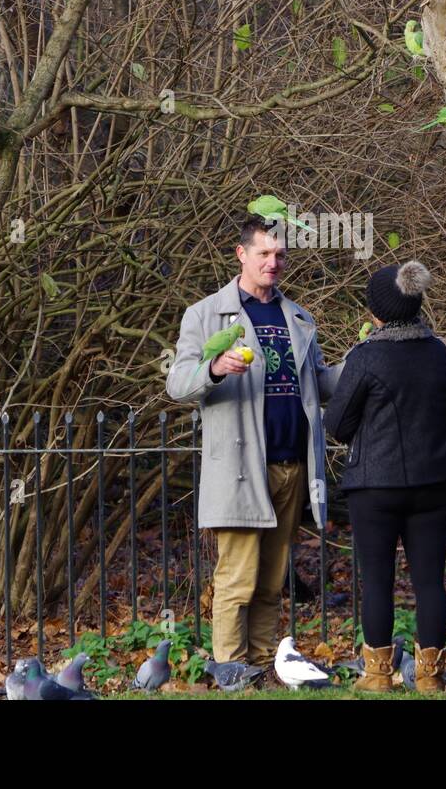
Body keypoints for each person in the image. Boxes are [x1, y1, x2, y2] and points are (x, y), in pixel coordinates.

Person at [166, 214, 344, 670]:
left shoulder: (299, 317)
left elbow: (321, 385)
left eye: (280, 254)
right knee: (238, 577)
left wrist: (366, 361)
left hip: (291, 466)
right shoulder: (205, 315)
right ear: (241, 255)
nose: (273, 263)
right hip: (242, 467)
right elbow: (177, 384)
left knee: (271, 578)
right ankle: (230, 666)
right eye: (264, 253)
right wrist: (214, 369)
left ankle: (264, 665)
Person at [322, 260, 446, 693]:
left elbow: (337, 424)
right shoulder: (440, 351)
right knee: (429, 580)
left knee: (378, 580)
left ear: (375, 312)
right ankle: (429, 676)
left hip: (375, 487)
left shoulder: (367, 356)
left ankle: (378, 676)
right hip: (434, 485)